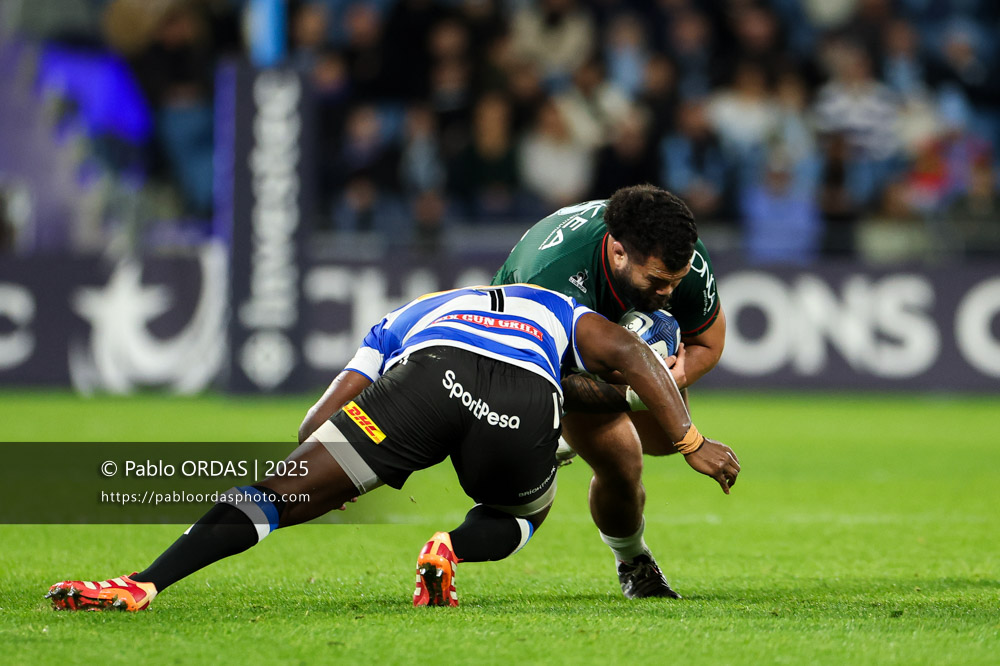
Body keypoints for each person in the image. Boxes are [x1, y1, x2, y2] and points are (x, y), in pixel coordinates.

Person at [47, 284, 739, 611]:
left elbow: (320, 416)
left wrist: (334, 473)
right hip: (523, 399)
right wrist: (690, 440)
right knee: (523, 514)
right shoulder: (560, 309)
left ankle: (143, 582)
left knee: (274, 497)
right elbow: (621, 351)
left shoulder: (403, 316)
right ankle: (450, 550)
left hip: (427, 375)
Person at [491, 184, 726, 598]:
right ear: (618, 252)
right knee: (622, 461)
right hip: (525, 363)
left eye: (677, 281)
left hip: (611, 348)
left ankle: (570, 439)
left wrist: (671, 379)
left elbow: (708, 342)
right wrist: (641, 392)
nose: (668, 292)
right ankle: (634, 560)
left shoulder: (683, 253)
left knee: (661, 441)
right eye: (656, 281)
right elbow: (549, 377)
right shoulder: (552, 275)